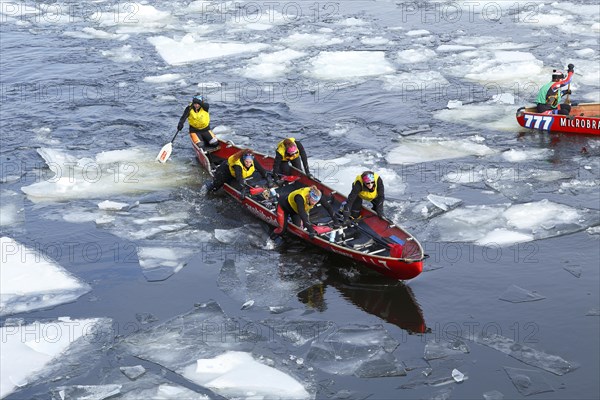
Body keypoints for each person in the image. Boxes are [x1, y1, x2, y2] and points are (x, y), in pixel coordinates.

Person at [205, 149, 272, 198]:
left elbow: (261, 170)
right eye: (246, 162)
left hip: (237, 173)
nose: (248, 164)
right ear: (243, 160)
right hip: (225, 171)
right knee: (215, 187)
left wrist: (268, 178)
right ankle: (207, 188)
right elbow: (239, 177)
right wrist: (243, 188)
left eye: (250, 162)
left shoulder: (252, 159)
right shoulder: (238, 164)